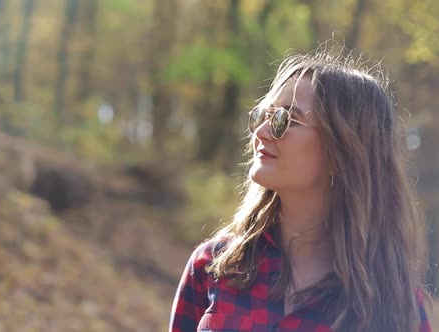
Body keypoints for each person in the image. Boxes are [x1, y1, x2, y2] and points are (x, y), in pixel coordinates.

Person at [169, 48, 433, 332]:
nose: (261, 132)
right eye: (262, 116)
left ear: (342, 150)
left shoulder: (392, 302)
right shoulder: (213, 265)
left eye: (286, 120)